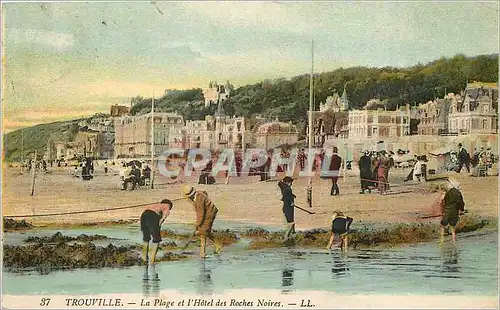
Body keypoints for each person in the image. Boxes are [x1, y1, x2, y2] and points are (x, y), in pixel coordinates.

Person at [182, 185, 222, 258]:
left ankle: (202, 252)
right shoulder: (197, 195)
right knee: (206, 231)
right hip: (206, 211)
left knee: (202, 232)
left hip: (210, 212)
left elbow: (200, 213)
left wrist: (198, 224)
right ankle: (218, 245)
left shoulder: (199, 199)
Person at [141, 199, 173, 264]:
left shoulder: (156, 205)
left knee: (146, 238)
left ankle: (144, 258)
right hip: (152, 216)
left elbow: (147, 212)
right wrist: (158, 227)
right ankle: (152, 260)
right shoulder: (167, 206)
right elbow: (162, 219)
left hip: (144, 215)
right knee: (157, 240)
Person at [278, 176, 296, 241]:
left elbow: (287, 194)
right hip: (288, 208)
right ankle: (286, 237)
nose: (291, 184)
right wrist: (291, 202)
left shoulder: (285, 188)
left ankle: (293, 234)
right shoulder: (287, 189)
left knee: (291, 223)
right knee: (291, 223)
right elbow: (286, 196)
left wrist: (292, 195)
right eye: (291, 182)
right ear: (287, 182)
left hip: (286, 208)